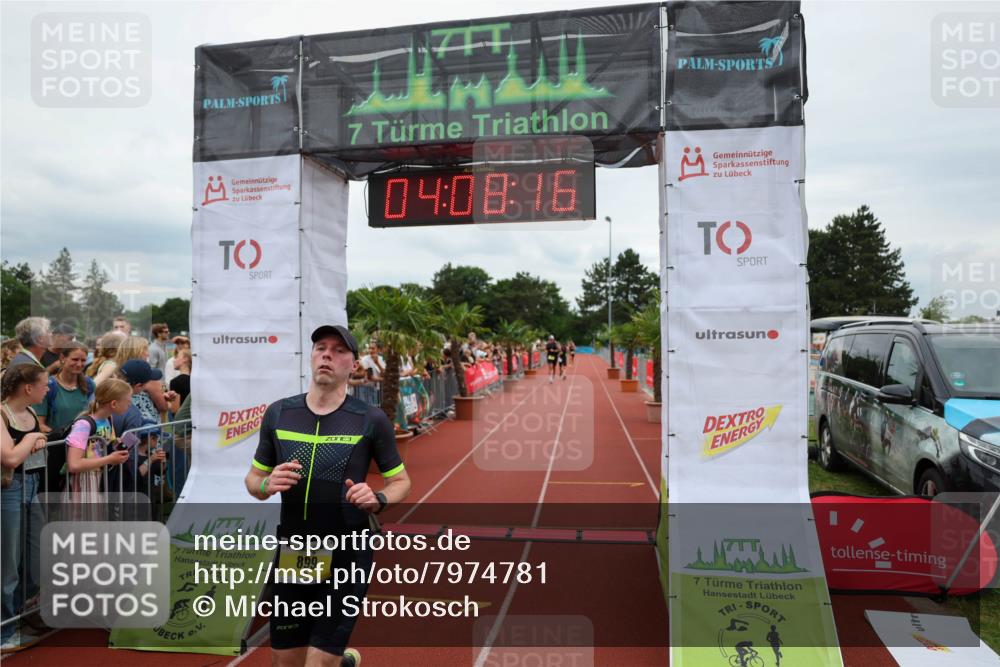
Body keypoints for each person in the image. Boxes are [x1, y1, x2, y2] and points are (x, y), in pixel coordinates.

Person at [245, 324, 411, 667]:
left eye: (338, 350)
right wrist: (266, 485)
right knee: (285, 661)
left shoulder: (370, 419)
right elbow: (253, 480)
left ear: (353, 365)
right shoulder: (279, 413)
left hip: (348, 553)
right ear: (311, 357)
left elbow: (401, 482)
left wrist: (378, 498)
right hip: (295, 552)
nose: (327, 355)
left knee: (319, 662)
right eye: (321, 348)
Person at [0, 364, 49, 652]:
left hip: (31, 486)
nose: (48, 389)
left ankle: (20, 616)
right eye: (44, 384)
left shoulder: (30, 412)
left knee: (35, 556)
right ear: (28, 388)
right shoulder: (2, 414)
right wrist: (31, 439)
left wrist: (35, 439)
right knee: (8, 563)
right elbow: (9, 458)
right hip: (8, 491)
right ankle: (4, 630)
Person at [36, 342, 95, 493]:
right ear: (62, 358)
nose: (79, 364)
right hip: (54, 450)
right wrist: (65, 436)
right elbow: (40, 424)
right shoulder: (49, 386)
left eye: (83, 360)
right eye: (75, 359)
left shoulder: (89, 385)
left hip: (82, 451)